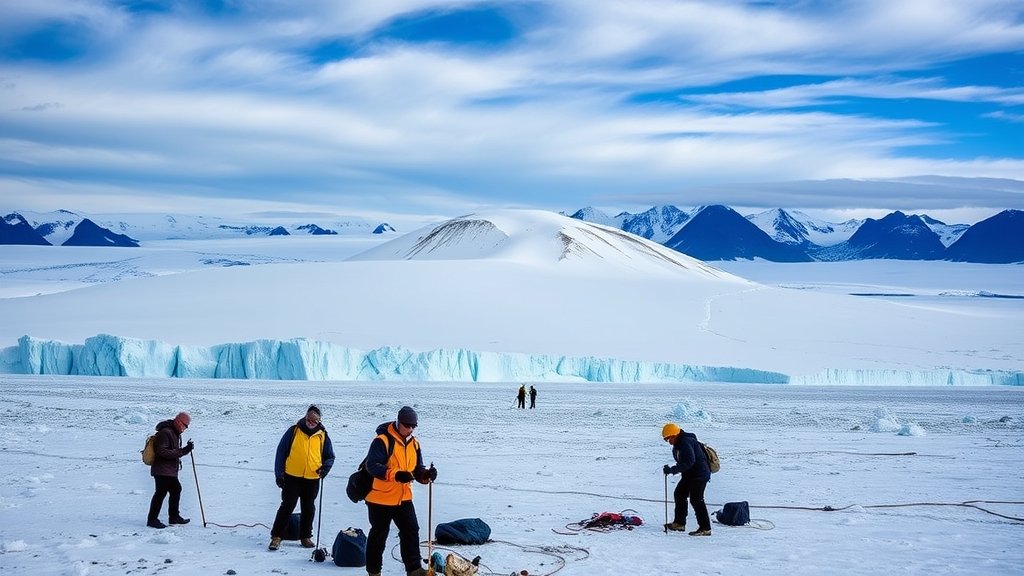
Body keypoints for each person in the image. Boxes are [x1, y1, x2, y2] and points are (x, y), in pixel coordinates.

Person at [364, 406, 437, 576]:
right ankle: (374, 572)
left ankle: (414, 569)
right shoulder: (382, 440)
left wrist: (426, 475)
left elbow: (417, 469)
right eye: (407, 425)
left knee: (411, 530)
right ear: (398, 422)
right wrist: (395, 475)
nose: (410, 429)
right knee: (379, 535)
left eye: (413, 426)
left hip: (403, 497)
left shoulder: (415, 443)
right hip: (380, 499)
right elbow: (372, 466)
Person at [269, 405, 336, 551]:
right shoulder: (293, 431)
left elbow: (329, 456)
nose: (311, 422)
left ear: (319, 421)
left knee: (308, 508)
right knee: (287, 506)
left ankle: (305, 536)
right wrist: (279, 474)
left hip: (312, 478)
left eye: (314, 420)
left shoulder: (322, 435)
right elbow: (281, 453)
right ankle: (276, 536)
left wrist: (325, 468)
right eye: (309, 418)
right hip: (292, 476)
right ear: (305, 417)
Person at [661, 422, 712, 536]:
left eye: (668, 439)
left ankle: (705, 528)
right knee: (679, 494)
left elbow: (689, 461)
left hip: (699, 475)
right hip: (690, 475)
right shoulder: (680, 443)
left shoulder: (685, 442)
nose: (668, 442)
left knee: (696, 499)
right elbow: (684, 461)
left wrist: (672, 470)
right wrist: (672, 469)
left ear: (674, 435)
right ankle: (679, 523)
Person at [147, 412, 194, 529]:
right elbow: (162, 451)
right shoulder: (165, 432)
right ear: (178, 421)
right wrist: (183, 451)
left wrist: (185, 449)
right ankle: (152, 520)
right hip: (162, 470)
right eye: (185, 425)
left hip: (169, 470)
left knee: (176, 489)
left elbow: (172, 450)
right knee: (160, 493)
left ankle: (174, 517)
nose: (185, 428)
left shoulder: (173, 432)